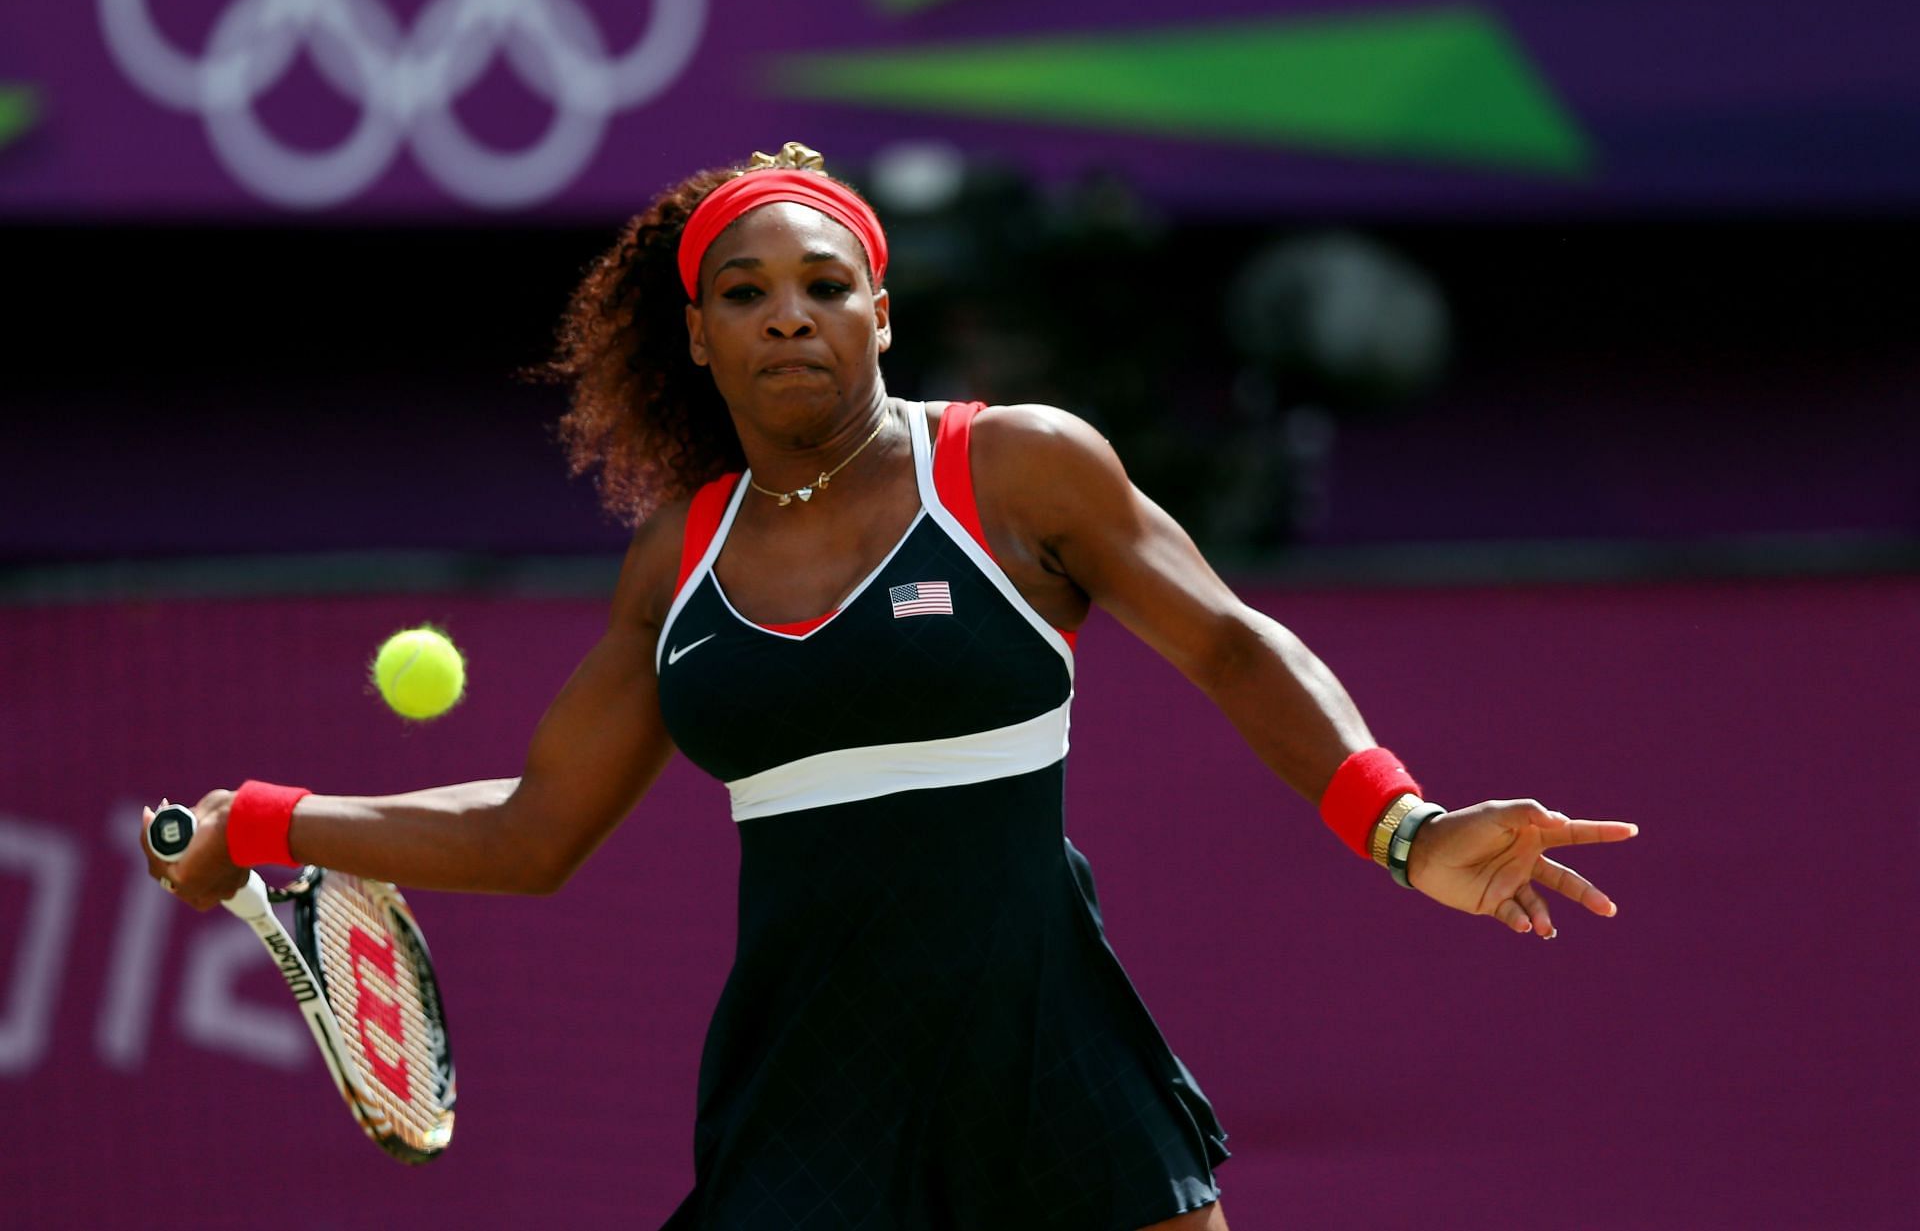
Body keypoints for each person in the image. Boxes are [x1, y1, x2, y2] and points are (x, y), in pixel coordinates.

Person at [143, 142, 1637, 1231]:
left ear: (880, 313)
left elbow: (1235, 643)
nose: (788, 313)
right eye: (747, 291)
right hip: (804, 1106)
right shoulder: (679, 560)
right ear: (699, 335)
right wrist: (274, 820)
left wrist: (1401, 822)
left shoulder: (1016, 467)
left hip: (1053, 1079)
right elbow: (531, 831)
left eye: (824, 283)